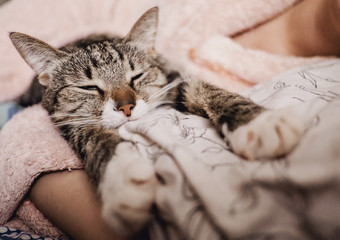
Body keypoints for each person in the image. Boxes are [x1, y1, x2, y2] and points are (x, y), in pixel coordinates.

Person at [7, 0, 340, 239]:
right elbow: (49, 120)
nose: (125, 103)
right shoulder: (48, 89)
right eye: (91, 88)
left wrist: (239, 114)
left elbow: (179, 85)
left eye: (134, 80)